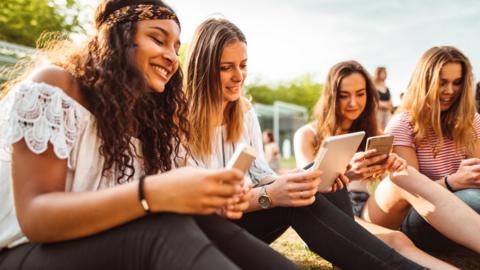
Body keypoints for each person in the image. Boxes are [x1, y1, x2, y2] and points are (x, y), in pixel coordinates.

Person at [0, 1, 300, 269]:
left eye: (176, 47)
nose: (171, 57)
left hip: (107, 245)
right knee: (164, 229)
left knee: (200, 220)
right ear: (117, 39)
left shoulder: (151, 121)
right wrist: (150, 193)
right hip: (26, 252)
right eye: (158, 39)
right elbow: (36, 218)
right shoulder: (57, 86)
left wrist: (208, 198)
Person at [184, 17, 426, 270]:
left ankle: (351, 259)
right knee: (297, 201)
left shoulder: (243, 112)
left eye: (243, 65)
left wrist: (298, 178)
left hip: (241, 221)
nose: (238, 76)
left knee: (315, 179)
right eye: (226, 68)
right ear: (203, 68)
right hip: (203, 233)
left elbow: (260, 174)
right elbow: (198, 205)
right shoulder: (179, 121)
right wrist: (270, 196)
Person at [294, 60, 457, 269]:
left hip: (365, 207)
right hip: (327, 212)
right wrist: (349, 173)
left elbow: (388, 186)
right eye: (344, 95)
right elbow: (307, 190)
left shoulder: (376, 133)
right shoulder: (308, 135)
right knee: (397, 241)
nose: (353, 102)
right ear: (331, 96)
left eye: (360, 94)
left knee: (403, 178)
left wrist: (392, 167)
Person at [362, 46, 480, 254]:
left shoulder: (472, 122)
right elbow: (409, 192)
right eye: (442, 82)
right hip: (421, 217)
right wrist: (452, 182)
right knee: (472, 199)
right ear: (424, 82)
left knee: (473, 197)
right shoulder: (403, 126)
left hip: (465, 208)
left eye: (457, 82)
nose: (450, 91)